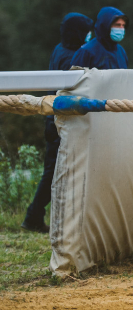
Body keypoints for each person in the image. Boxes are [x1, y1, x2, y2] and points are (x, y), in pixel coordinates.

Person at [21, 12, 93, 234]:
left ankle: (36, 216)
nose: (89, 35)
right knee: (54, 171)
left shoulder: (59, 49)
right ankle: (34, 216)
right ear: (77, 32)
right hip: (59, 120)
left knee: (53, 170)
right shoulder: (71, 56)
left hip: (53, 118)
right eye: (86, 30)